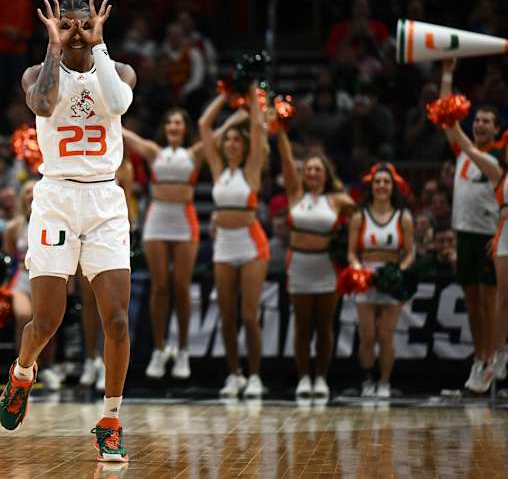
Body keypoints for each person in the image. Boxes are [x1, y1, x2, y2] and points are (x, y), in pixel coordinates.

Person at [0, 0, 135, 463]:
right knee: (47, 321)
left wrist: (101, 47)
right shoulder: (36, 74)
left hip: (104, 200)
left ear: (97, 25)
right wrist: (54, 48)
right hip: (56, 199)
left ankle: (111, 420)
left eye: (84, 24)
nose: (76, 32)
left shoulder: (121, 72)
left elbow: (118, 103)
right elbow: (42, 104)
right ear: (53, 28)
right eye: (67, 25)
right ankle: (22, 372)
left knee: (117, 320)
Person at [122, 108, 204, 381]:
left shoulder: (195, 153)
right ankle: (159, 349)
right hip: (157, 219)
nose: (173, 126)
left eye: (179, 122)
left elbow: (218, 133)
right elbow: (124, 134)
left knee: (181, 285)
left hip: (184, 219)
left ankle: (182, 350)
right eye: (169, 121)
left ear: (185, 127)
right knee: (160, 286)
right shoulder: (154, 151)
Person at [274, 122, 355, 398]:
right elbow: (285, 159)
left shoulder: (337, 200)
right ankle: (303, 378)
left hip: (327, 268)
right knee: (302, 326)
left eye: (317, 169)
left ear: (325, 173)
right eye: (308, 169)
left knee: (324, 326)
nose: (312, 173)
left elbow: (363, 213)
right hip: (298, 266)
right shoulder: (295, 194)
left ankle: (321, 378)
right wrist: (280, 130)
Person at [198, 84, 268, 398]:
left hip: (252, 246)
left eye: (236, 139)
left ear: (244, 145)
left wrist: (250, 91)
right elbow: (203, 126)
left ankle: (255, 376)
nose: (230, 143)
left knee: (249, 316)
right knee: (227, 316)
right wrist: (226, 94)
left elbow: (255, 124)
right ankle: (234, 374)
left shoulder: (252, 170)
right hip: (224, 245)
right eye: (227, 140)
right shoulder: (218, 170)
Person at [440, 59, 501, 391]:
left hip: (489, 236)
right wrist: (447, 74)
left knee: (490, 301)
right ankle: (480, 358)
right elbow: (448, 121)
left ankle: (492, 360)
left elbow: (455, 133)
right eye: (476, 119)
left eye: (486, 121)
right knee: (473, 300)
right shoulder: (463, 153)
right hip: (463, 234)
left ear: (496, 129)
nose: (479, 125)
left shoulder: (496, 158)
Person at [347, 163, 414, 398]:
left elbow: (410, 252)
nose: (382, 186)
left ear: (393, 186)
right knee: (367, 335)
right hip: (366, 277)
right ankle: (367, 380)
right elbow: (351, 252)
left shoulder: (403, 217)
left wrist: (400, 271)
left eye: (386, 182)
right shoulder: (359, 216)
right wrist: (357, 269)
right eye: (378, 182)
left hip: (392, 277)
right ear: (371, 185)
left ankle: (384, 382)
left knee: (386, 335)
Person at [79, 156, 134, 391]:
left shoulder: (124, 166)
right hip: (82, 227)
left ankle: (105, 363)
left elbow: (127, 202)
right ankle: (90, 359)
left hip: (110, 234)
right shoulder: (85, 159)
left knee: (112, 309)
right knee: (89, 302)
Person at [4, 179, 61, 391]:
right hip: (21, 279)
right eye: (27, 191)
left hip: (46, 277)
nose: (31, 195)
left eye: (34, 191)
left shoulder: (53, 221)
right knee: (23, 316)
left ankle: (47, 368)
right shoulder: (14, 227)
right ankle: (22, 368)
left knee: (47, 323)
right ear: (22, 197)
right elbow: (9, 257)